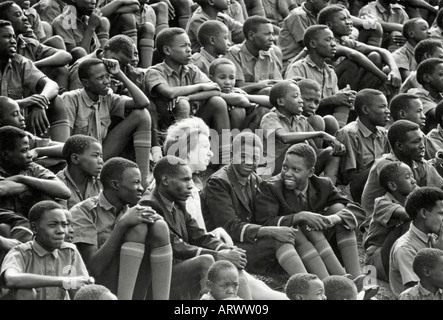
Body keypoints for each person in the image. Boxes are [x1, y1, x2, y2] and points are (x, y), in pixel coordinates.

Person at [162, 116, 288, 300]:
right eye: (205, 148)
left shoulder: (194, 187)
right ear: (186, 152)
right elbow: (178, 242)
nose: (211, 154)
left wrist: (217, 239)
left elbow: (195, 232)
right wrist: (220, 251)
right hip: (184, 264)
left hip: (204, 253)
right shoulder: (172, 190)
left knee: (273, 295)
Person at [140, 156, 250, 300]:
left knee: (230, 261)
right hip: (156, 281)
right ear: (165, 180)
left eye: (190, 179)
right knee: (206, 261)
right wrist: (219, 255)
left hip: (177, 272)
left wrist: (225, 249)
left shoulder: (177, 203)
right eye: (185, 180)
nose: (190, 185)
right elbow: (175, 246)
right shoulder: (149, 205)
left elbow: (199, 235)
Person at [203, 132, 306, 277]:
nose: (249, 162)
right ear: (232, 155)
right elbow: (229, 227)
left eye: (254, 158)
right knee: (278, 240)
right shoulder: (219, 182)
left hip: (248, 239)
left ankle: (326, 279)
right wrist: (271, 231)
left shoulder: (255, 180)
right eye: (243, 156)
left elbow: (264, 215)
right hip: (227, 246)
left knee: (294, 232)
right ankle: (305, 284)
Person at [255, 143, 365, 278]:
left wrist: (332, 219)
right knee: (297, 226)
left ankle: (355, 277)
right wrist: (299, 216)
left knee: (339, 209)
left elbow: (357, 210)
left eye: (296, 170)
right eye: (285, 167)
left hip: (322, 246)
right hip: (292, 250)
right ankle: (332, 281)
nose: (287, 173)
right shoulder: (270, 187)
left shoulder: (323, 185)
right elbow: (264, 223)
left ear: (311, 172)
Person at [70, 157, 172, 300]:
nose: (141, 188)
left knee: (159, 226)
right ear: (115, 184)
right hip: (99, 288)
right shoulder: (83, 212)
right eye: (136, 183)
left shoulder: (133, 211)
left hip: (136, 282)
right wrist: (122, 225)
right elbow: (94, 269)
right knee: (138, 229)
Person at [62, 57, 152, 188]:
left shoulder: (107, 97)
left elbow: (143, 102)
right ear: (85, 82)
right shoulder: (70, 99)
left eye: (107, 76)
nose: (106, 82)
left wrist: (120, 74)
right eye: (100, 78)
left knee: (142, 114)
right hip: (79, 158)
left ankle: (143, 181)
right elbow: (65, 144)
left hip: (100, 153)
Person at [145, 27, 231, 160]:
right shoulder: (155, 72)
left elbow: (215, 89)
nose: (189, 50)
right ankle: (182, 157)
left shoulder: (191, 69)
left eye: (190, 45)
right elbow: (168, 92)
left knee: (217, 102)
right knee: (183, 104)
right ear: (167, 50)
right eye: (183, 46)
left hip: (194, 120)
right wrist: (200, 86)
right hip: (168, 126)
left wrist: (189, 97)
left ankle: (224, 158)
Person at [0, 200, 93, 300]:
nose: (61, 231)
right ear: (34, 228)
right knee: (24, 291)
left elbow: (81, 289)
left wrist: (83, 283)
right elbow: (11, 279)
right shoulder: (20, 253)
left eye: (64, 224)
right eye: (53, 225)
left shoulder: (69, 252)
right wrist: (64, 281)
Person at [259, 80, 345, 183]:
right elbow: (284, 137)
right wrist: (321, 134)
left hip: (294, 167)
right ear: (281, 102)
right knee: (299, 145)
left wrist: (336, 145)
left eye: (300, 97)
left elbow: (313, 150)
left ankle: (328, 188)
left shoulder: (301, 120)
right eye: (295, 97)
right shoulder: (270, 118)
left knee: (332, 152)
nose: (301, 101)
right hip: (271, 170)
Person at [0, 20, 69, 142]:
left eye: (13, 36)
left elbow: (52, 85)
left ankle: (63, 152)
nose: (13, 41)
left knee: (55, 101)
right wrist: (23, 102)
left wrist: (40, 101)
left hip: (15, 124)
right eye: (6, 37)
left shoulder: (19, 62)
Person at [361, 120, 443, 221]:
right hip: (379, 223)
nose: (422, 146)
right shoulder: (387, 165)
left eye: (422, 140)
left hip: (405, 216)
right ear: (399, 146)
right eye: (416, 142)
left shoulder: (418, 162)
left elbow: (440, 189)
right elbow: (420, 196)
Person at [317, 5, 402, 97]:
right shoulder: (326, 42)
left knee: (376, 56)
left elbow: (382, 50)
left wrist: (395, 70)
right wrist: (384, 78)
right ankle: (360, 98)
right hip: (325, 86)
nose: (349, 23)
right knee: (352, 63)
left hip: (343, 83)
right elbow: (353, 54)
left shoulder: (346, 41)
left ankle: (363, 97)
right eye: (343, 19)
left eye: (349, 19)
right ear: (329, 25)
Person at [285, 25, 356, 128]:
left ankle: (337, 138)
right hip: (302, 118)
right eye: (328, 40)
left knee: (345, 100)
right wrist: (331, 99)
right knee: (318, 119)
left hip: (324, 116)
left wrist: (344, 96)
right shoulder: (298, 68)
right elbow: (293, 104)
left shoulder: (330, 72)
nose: (333, 44)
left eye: (334, 40)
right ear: (313, 44)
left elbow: (335, 100)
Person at [0, 126, 70, 219]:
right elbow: (2, 189)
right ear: (5, 155)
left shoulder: (31, 167)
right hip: (6, 223)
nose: (29, 155)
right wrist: (36, 186)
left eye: (29, 149)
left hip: (29, 222)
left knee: (47, 199)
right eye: (24, 150)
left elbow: (64, 192)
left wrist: (22, 178)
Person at [0, 1, 72, 91]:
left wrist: (31, 66)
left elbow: (66, 56)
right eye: (18, 15)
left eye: (23, 14)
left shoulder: (29, 44)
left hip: (31, 90)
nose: (25, 18)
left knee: (61, 69)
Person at [335, 89, 390, 203]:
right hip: (353, 191)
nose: (387, 111)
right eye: (382, 107)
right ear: (365, 109)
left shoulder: (384, 134)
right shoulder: (349, 133)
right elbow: (348, 177)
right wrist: (380, 164)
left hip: (375, 187)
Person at [364, 162, 416, 281]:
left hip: (393, 252)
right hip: (376, 259)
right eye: (408, 177)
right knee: (410, 222)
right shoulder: (381, 203)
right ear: (393, 185)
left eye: (412, 176)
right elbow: (408, 215)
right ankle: (401, 273)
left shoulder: (409, 198)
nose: (413, 180)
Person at [390, 187, 443, 297]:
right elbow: (423, 290)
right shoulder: (405, 248)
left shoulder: (434, 238)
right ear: (423, 213)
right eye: (441, 213)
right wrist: (439, 252)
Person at [0, 96, 65, 171]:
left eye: (21, 113)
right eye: (15, 114)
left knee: (63, 162)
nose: (22, 118)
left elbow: (67, 148)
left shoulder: (24, 137)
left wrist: (38, 151)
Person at [224, 15, 282, 95]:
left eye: (272, 34)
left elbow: (277, 81)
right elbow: (238, 86)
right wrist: (260, 85)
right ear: (251, 35)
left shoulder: (268, 54)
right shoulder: (234, 54)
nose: (272, 38)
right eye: (267, 34)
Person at [208, 58, 272, 130]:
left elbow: (270, 102)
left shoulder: (236, 91)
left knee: (263, 110)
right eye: (222, 78)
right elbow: (242, 101)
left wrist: (244, 96)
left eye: (231, 78)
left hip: (242, 128)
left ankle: (247, 137)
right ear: (211, 79)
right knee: (238, 112)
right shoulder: (212, 93)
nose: (228, 82)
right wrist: (243, 98)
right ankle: (234, 139)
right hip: (218, 131)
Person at [277, 0, 330, 69]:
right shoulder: (298, 15)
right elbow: (310, 45)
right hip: (291, 61)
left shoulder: (318, 15)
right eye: (325, 1)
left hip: (308, 58)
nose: (327, 5)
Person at [56, 134, 103, 210]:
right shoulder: (59, 183)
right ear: (75, 158)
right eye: (95, 155)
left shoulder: (102, 181)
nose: (101, 161)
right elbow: (63, 218)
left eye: (101, 156)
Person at [409, 58, 443, 134]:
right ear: (426, 77)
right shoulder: (418, 96)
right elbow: (439, 113)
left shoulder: (439, 96)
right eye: (441, 74)